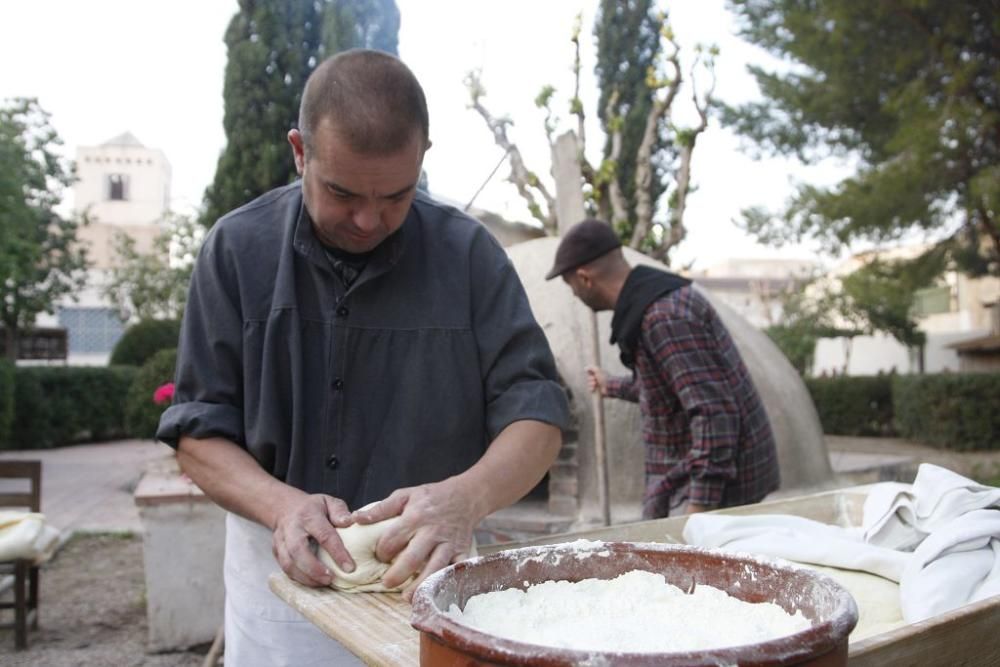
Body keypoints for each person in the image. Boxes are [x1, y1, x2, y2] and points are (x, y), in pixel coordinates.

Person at [157, 49, 569, 666]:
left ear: (424, 155)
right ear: (300, 151)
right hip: (281, 569)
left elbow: (537, 417)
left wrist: (467, 498)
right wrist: (282, 505)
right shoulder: (236, 249)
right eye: (342, 192)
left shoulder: (472, 256)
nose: (368, 219)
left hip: (432, 563)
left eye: (396, 196)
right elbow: (196, 429)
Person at [546, 219, 778, 519]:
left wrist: (699, 509)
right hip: (689, 478)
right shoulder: (654, 303)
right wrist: (611, 385)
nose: (574, 294)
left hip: (714, 491)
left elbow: (713, 412)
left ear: (585, 278)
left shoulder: (664, 316)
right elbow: (669, 389)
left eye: (570, 285)